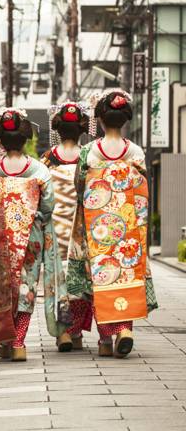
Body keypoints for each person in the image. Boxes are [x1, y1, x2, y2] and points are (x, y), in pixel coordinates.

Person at [0, 108, 70, 361]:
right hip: (31, 235)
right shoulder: (39, 170)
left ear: (0, 141)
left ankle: (4, 340)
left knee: (0, 288)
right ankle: (18, 342)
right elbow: (48, 206)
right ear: (25, 138)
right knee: (26, 286)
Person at [74, 89, 158, 358]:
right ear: (125, 119)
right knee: (126, 272)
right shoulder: (134, 151)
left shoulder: (89, 151)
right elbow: (143, 191)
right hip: (128, 223)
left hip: (96, 223)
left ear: (99, 119)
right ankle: (125, 329)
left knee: (101, 276)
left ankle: (105, 340)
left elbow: (80, 186)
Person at [41, 101, 93, 352]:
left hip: (55, 226)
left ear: (58, 130)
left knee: (57, 277)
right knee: (80, 278)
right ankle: (76, 333)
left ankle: (63, 332)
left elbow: (40, 195)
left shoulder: (47, 159)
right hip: (81, 226)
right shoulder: (88, 156)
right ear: (82, 129)